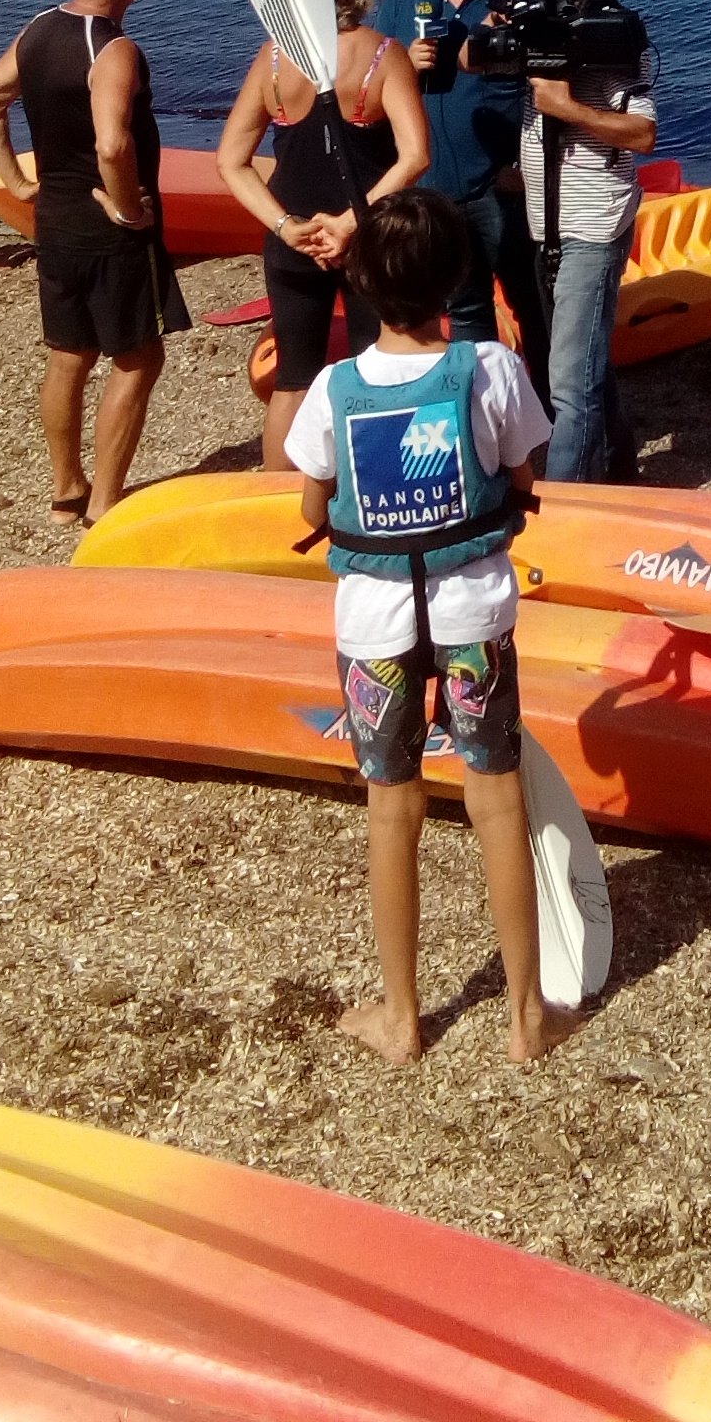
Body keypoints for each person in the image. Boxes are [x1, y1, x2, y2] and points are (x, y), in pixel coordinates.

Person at [286, 190, 557, 1064]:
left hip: (374, 624)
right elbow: (523, 470)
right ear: (457, 280)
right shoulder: (491, 369)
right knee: (497, 796)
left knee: (391, 808)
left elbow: (311, 500)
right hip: (473, 609)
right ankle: (526, 1019)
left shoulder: (333, 388)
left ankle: (403, 1019)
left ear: (360, 281)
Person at [0, 0, 187, 526]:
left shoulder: (40, 27)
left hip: (55, 221)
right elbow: (114, 144)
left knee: (69, 354)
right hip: (108, 227)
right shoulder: (114, 49)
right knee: (139, 358)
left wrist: (16, 183)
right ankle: (105, 500)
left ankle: (66, 489)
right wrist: (127, 207)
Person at [216, 0, 430, 469]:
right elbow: (415, 157)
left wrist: (286, 224)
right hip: (366, 239)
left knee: (293, 378)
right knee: (370, 367)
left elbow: (231, 161)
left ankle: (276, 503)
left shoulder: (272, 57)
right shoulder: (384, 53)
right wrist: (350, 223)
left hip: (295, 240)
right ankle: (370, 490)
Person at [371, 0, 547, 359]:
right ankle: (484, 417)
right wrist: (403, 64)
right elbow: (368, 93)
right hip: (433, 189)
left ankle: (550, 421)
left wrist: (525, 165)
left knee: (534, 305)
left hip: (502, 186)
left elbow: (548, 95)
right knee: (466, 310)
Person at [518, 0, 657, 483]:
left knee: (569, 387)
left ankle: (563, 508)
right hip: (543, 224)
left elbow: (644, 134)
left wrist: (566, 107)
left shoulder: (621, 37)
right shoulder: (535, 22)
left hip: (593, 225)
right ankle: (618, 476)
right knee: (588, 370)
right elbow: (475, 61)